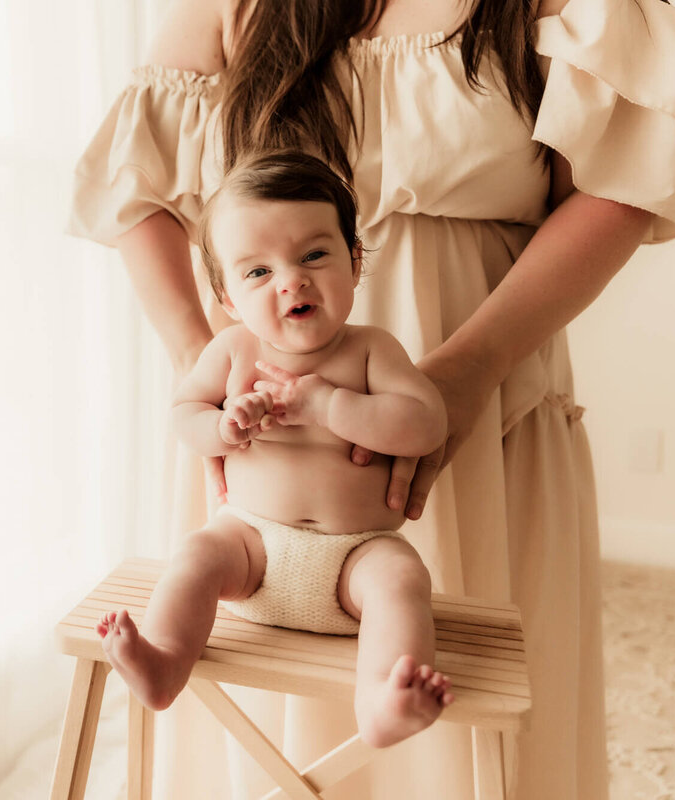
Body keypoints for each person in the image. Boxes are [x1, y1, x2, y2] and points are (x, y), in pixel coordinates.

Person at [69, 0, 675, 797]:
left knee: (444, 690)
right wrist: (210, 367)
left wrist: (466, 374)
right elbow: (137, 182)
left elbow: (629, 174)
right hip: (264, 453)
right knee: (250, 695)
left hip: (488, 398)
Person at [96, 150, 455, 749]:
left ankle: (383, 700)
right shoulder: (233, 350)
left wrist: (331, 406)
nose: (292, 279)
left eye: (314, 254)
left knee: (402, 582)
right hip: (251, 547)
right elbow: (184, 415)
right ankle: (163, 660)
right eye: (258, 272)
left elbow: (425, 425)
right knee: (195, 555)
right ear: (229, 297)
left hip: (356, 559)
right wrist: (223, 428)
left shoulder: (372, 351)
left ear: (355, 261)